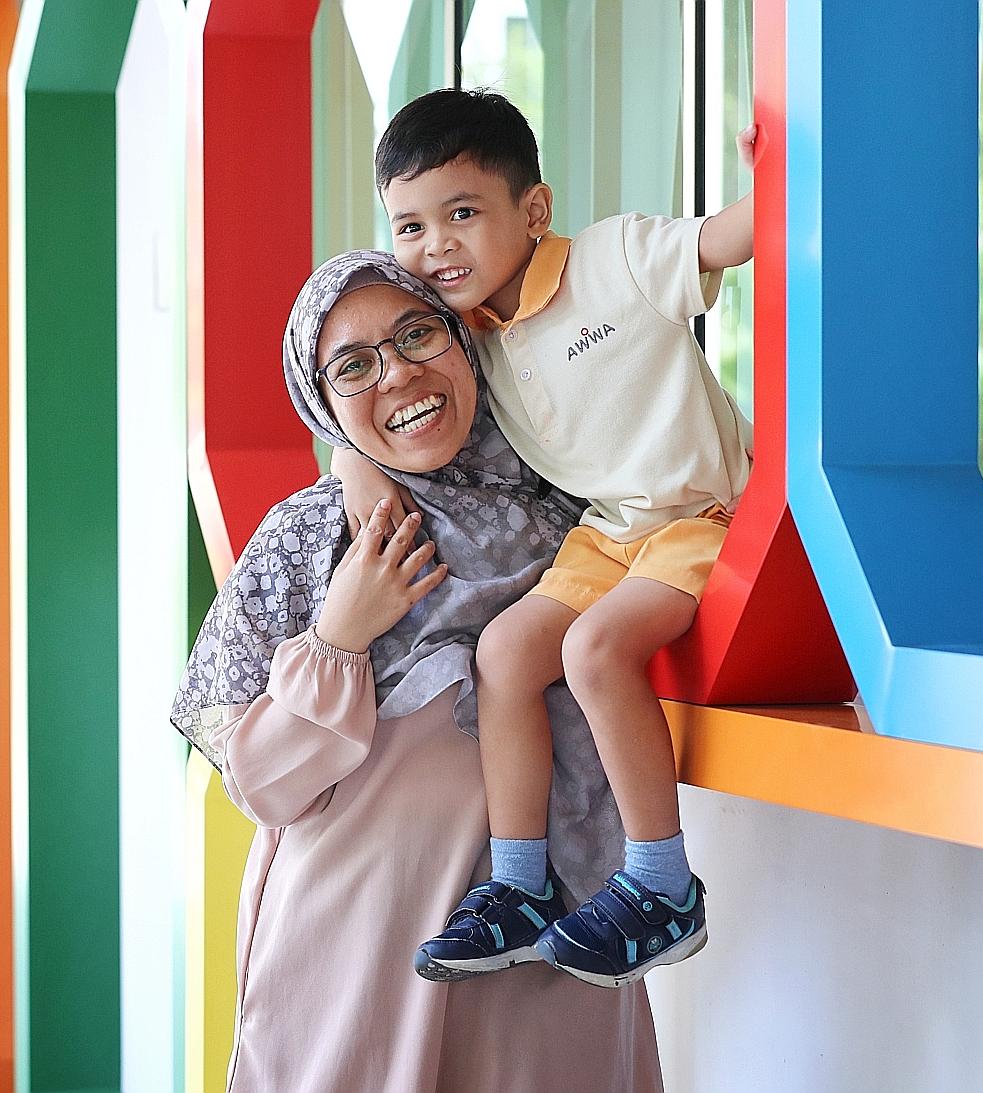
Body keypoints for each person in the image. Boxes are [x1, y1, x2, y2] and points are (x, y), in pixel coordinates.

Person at [172, 251, 662, 1091]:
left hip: (547, 941)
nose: (398, 373)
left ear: (465, 343)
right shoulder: (313, 537)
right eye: (353, 366)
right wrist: (340, 632)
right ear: (321, 401)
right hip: (360, 948)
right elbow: (261, 785)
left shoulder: (579, 502)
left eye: (417, 333)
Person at [332, 89, 757, 987]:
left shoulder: (617, 259)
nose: (435, 245)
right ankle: (522, 888)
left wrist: (781, 166)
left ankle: (662, 885)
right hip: (610, 534)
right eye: (408, 226)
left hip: (703, 514)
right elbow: (363, 370)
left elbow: (729, 238)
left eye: (461, 213)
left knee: (596, 649)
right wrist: (350, 464)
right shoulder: (467, 331)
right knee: (507, 651)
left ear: (534, 210)